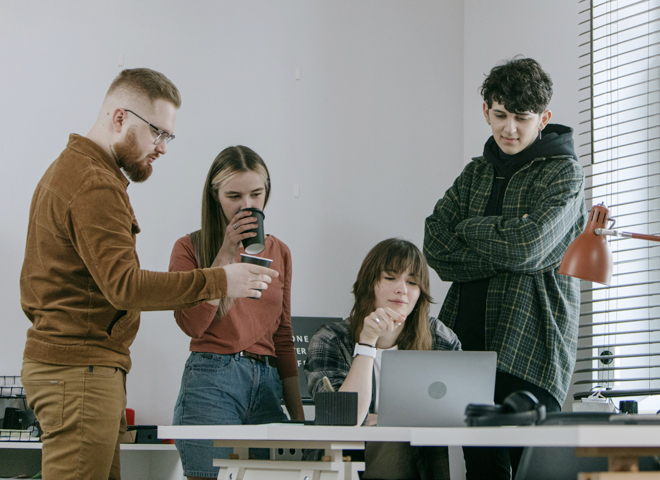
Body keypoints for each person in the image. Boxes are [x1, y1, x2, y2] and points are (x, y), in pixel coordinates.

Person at [19, 69, 278, 480]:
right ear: (120, 118)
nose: (162, 148)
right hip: (79, 373)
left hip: (84, 371)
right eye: (157, 132)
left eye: (167, 137)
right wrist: (221, 279)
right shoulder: (93, 183)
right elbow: (126, 287)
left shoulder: (78, 172)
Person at [424, 57, 587, 479]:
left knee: (534, 472)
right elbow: (436, 246)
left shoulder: (565, 175)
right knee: (482, 473)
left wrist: (470, 228)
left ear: (544, 118)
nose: (509, 128)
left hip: (532, 347)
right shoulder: (474, 174)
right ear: (486, 112)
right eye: (500, 115)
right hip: (466, 347)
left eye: (522, 117)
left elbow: (528, 247)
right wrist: (509, 245)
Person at [169, 145, 305, 479]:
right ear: (215, 196)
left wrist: (300, 420)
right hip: (212, 378)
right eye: (234, 196)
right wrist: (227, 252)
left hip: (267, 380)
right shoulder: (189, 248)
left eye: (256, 194)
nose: (247, 206)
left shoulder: (280, 252)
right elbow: (191, 325)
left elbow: (283, 336)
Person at [305, 238, 461, 480]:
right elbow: (342, 422)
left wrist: (385, 419)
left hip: (424, 466)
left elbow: (461, 411)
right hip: (347, 465)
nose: (402, 289)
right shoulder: (330, 340)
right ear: (370, 284)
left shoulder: (439, 338)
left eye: (412, 282)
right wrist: (367, 342)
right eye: (390, 278)